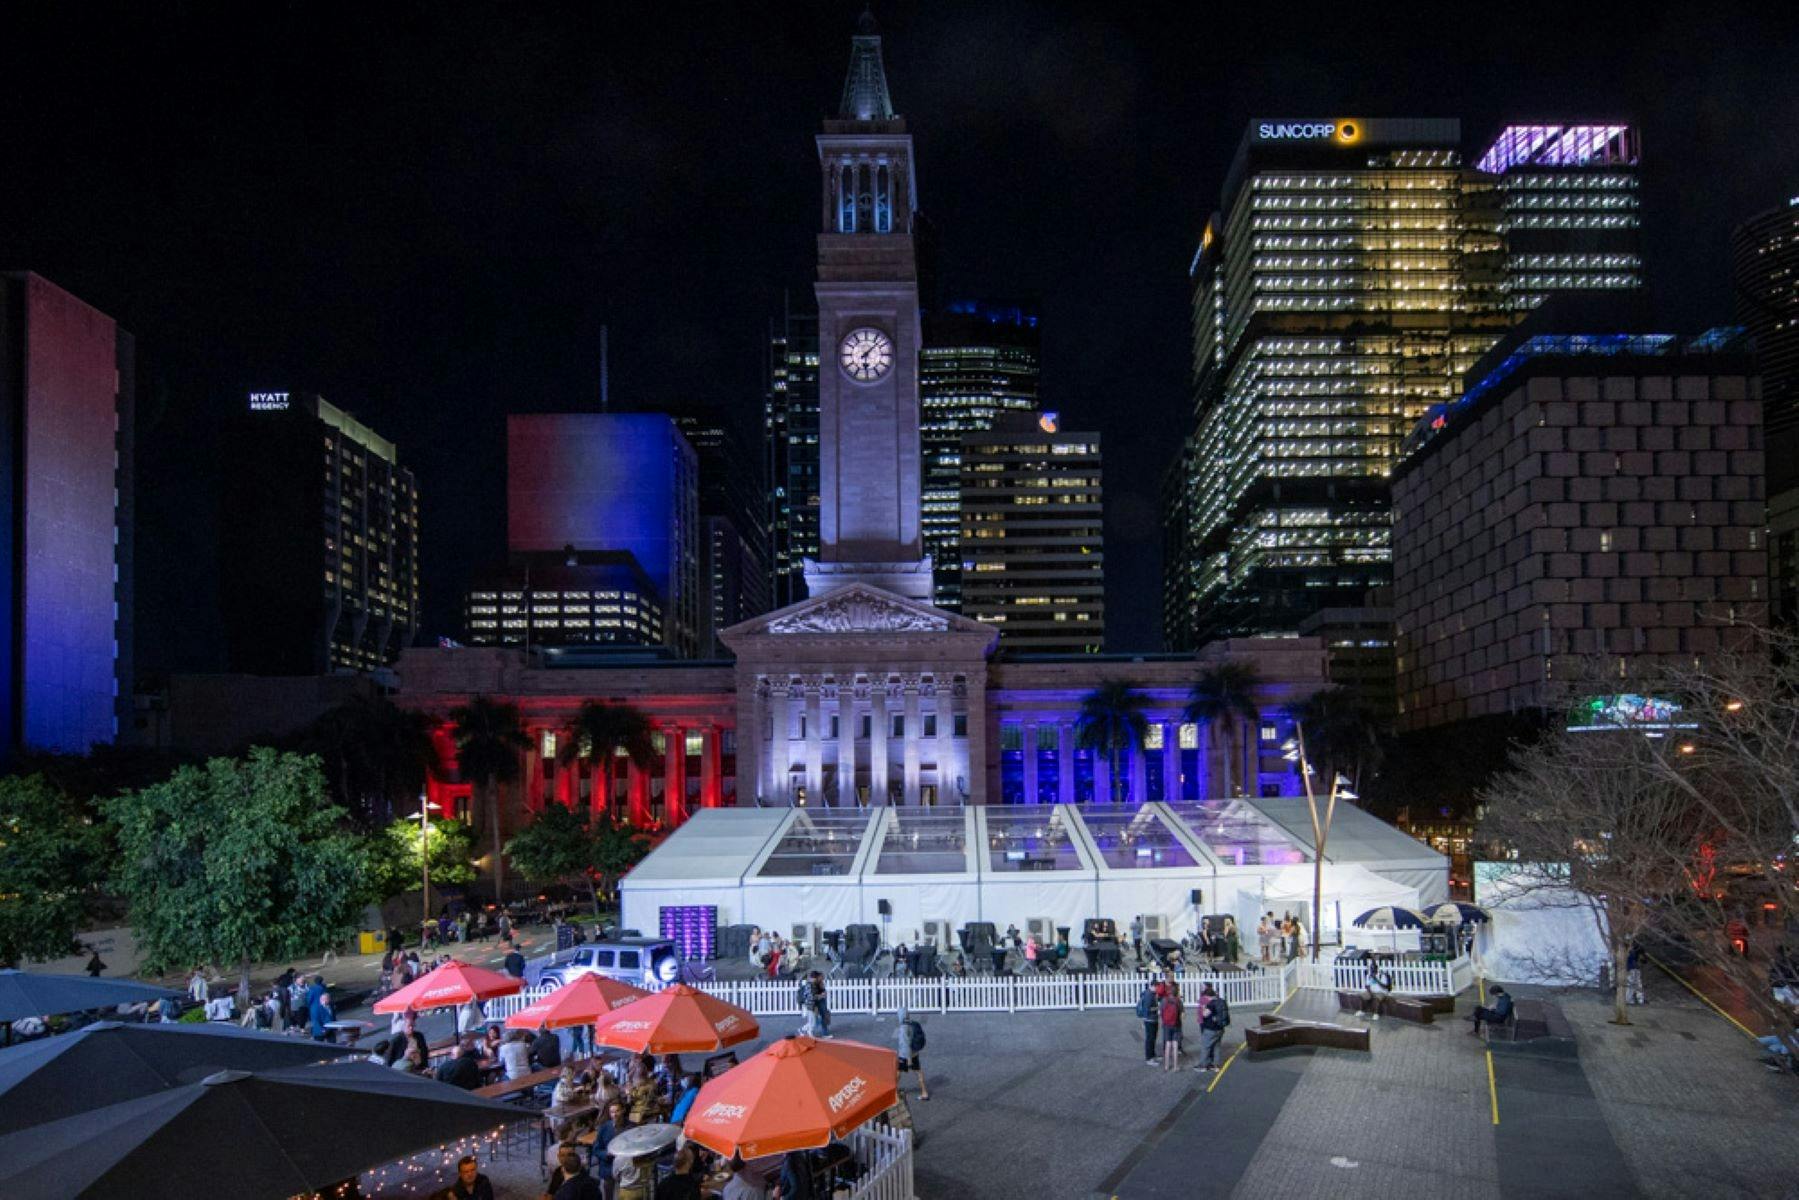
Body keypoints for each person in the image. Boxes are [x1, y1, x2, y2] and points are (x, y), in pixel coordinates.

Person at [590, 1098, 632, 1200]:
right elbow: (596, 1149)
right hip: (609, 1166)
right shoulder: (604, 1128)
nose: (614, 1115)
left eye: (617, 1111)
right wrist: (606, 1154)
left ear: (623, 1110)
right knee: (607, 1192)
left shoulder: (631, 1127)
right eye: (612, 1112)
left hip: (626, 1166)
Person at [895, 1005, 930, 1100]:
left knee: (898, 1072)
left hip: (905, 1056)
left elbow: (905, 1045)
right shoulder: (913, 1024)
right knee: (918, 1072)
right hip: (915, 1053)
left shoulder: (903, 1028)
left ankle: (894, 1093)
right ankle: (924, 1092)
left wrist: (908, 1059)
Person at [1196, 983, 1230, 1072]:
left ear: (1208, 996)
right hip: (1220, 1028)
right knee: (1217, 1047)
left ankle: (1203, 1065)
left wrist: (1203, 1008)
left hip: (1211, 1029)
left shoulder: (1211, 1003)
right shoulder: (1222, 1001)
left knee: (1205, 1047)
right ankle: (1216, 1066)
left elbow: (1204, 1014)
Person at [1159, 980, 1183, 1071]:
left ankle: (1166, 1066)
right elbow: (1182, 1014)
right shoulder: (1178, 1001)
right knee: (1175, 1045)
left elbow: (1160, 1012)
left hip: (1166, 1025)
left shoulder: (1164, 1000)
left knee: (1167, 1044)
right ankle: (1175, 1066)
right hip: (1176, 1024)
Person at [1136, 979, 1161, 1066]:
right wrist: (1158, 1009)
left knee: (1153, 1038)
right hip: (1150, 1020)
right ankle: (1149, 1058)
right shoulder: (1149, 995)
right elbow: (1148, 1009)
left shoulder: (1151, 994)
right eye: (1157, 987)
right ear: (1153, 986)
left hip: (1152, 1019)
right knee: (1150, 1039)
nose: (1158, 989)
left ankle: (1153, 1055)